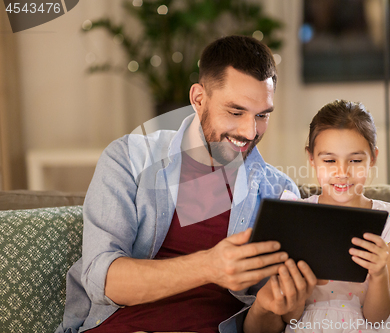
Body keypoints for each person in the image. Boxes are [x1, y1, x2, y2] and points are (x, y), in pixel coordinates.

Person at [55, 35, 316, 333]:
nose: (249, 130)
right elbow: (102, 279)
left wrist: (272, 307)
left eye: (262, 116)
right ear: (198, 98)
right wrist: (209, 266)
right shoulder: (128, 159)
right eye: (235, 112)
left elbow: (259, 327)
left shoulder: (279, 193)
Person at [278, 100, 390, 332]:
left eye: (355, 160)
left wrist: (379, 272)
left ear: (372, 158)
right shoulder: (295, 216)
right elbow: (289, 317)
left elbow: (376, 318)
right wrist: (300, 285)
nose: (342, 172)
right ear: (311, 159)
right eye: (329, 160)